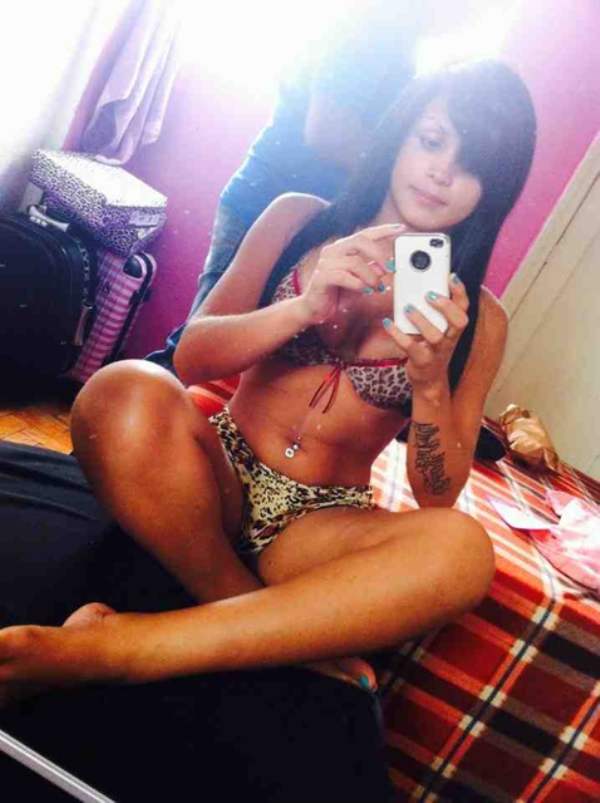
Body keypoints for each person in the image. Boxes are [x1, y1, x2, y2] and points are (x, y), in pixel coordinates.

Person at [0, 59, 536, 798]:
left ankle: (124, 647)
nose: (443, 173)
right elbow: (192, 356)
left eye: (472, 166)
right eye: (433, 140)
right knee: (124, 388)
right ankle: (247, 613)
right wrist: (302, 307)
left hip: (316, 526)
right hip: (216, 474)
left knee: (463, 551)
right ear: (402, 134)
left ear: (492, 192)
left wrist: (430, 381)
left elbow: (436, 494)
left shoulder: (480, 318)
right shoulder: (298, 220)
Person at [146, 0, 482, 374]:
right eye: (431, 143)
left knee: (254, 358)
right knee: (189, 360)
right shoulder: (369, 35)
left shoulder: (403, 53)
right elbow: (325, 131)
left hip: (320, 215)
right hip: (273, 201)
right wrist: (398, 169)